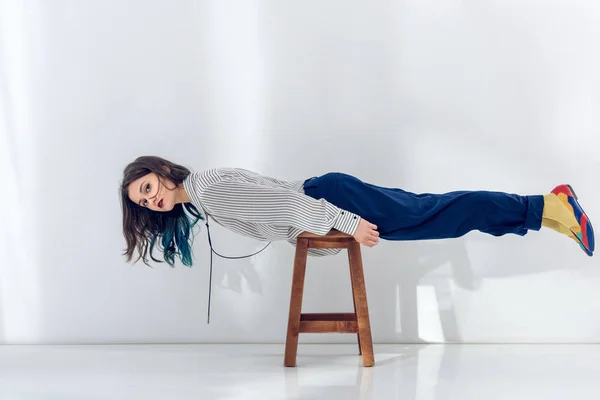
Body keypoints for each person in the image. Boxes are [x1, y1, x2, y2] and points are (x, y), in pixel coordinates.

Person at [121, 156, 594, 268]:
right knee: (442, 217)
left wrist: (346, 225)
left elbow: (287, 203)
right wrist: (327, 239)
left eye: (147, 188)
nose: (150, 200)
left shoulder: (205, 188)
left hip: (333, 201)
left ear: (162, 170)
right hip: (329, 203)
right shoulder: (204, 200)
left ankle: (552, 206)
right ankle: (549, 212)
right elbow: (281, 212)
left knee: (441, 211)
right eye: (143, 202)